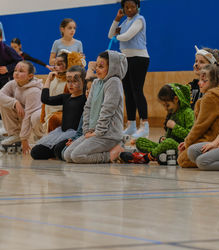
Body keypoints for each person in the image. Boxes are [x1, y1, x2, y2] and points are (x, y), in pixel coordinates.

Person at [63, 50, 128, 164]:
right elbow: (87, 107)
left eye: (101, 66)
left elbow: (108, 109)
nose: (97, 69)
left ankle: (112, 154)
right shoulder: (96, 82)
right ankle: (108, 149)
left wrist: (98, 132)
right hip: (93, 132)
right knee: (67, 155)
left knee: (77, 156)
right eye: (96, 65)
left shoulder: (114, 82)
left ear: (112, 67)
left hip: (108, 134)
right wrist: (87, 130)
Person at [178, 62, 219, 167]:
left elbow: (200, 126)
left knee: (182, 159)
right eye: (200, 80)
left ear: (213, 82)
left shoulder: (210, 97)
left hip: (214, 139)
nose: (199, 83)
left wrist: (187, 142)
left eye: (204, 81)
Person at [119, 83, 194, 164]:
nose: (166, 109)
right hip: (168, 146)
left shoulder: (188, 113)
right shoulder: (173, 113)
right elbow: (169, 136)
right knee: (140, 141)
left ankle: (146, 157)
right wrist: (163, 138)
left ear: (176, 99)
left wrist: (175, 127)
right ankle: (162, 156)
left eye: (167, 105)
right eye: (164, 106)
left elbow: (191, 136)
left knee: (169, 143)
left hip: (181, 147)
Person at [108, 0, 150, 139]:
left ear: (138, 6)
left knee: (137, 90)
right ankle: (131, 125)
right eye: (126, 7)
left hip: (139, 58)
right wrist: (117, 19)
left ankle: (145, 126)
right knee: (128, 92)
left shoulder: (140, 20)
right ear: (123, 9)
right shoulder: (124, 22)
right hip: (125, 59)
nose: (130, 9)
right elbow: (110, 34)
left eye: (132, 6)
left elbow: (128, 36)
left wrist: (117, 37)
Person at [30, 65, 86, 159]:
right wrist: (48, 80)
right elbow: (45, 99)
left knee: (59, 149)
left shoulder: (86, 98)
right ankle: (57, 152)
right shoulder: (65, 97)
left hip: (76, 135)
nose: (70, 84)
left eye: (75, 81)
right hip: (61, 133)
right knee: (35, 152)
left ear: (83, 82)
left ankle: (60, 151)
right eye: (68, 81)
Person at [0, 60, 44, 154]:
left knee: (35, 116)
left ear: (30, 76)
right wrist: (14, 102)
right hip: (23, 116)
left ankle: (41, 138)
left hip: (35, 119)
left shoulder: (34, 91)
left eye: (21, 71)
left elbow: (28, 116)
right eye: (15, 70)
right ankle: (14, 134)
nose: (16, 73)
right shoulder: (13, 84)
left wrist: (24, 139)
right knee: (5, 102)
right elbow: (0, 95)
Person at [41, 50, 85, 133]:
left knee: (55, 119)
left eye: (59, 64)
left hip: (62, 115)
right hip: (50, 110)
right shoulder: (53, 79)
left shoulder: (70, 86)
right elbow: (45, 100)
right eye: (55, 64)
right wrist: (49, 79)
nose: (55, 67)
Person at [53, 75, 97, 160]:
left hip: (95, 138)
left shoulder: (102, 107)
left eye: (92, 89)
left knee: (73, 155)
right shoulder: (87, 107)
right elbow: (80, 131)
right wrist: (73, 139)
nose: (88, 92)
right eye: (87, 89)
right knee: (60, 151)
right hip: (84, 137)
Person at [190, 45, 219, 110]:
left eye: (201, 62)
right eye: (196, 61)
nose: (196, 64)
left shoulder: (217, 88)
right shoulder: (191, 86)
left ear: (212, 66)